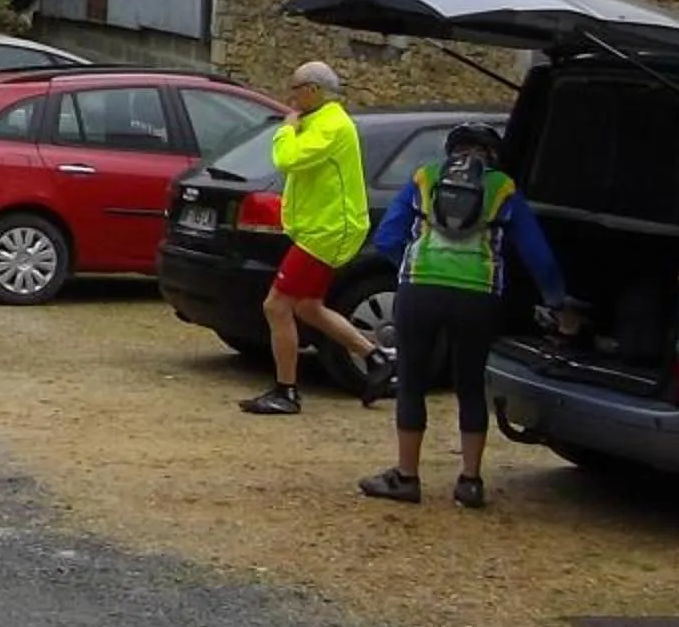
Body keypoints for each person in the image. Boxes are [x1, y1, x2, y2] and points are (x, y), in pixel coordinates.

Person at [356, 120, 572, 508]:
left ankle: (406, 478)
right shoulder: (503, 188)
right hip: (478, 296)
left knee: (412, 382)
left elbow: (387, 237)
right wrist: (556, 301)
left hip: (420, 290)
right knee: (470, 386)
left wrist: (411, 269)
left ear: (452, 151)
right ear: (491, 155)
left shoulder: (424, 178)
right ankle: (470, 482)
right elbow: (538, 255)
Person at [242, 58, 378, 415]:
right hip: (319, 228)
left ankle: (286, 391)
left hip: (329, 230)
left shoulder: (331, 125)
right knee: (307, 306)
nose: (291, 98)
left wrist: (286, 128)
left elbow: (288, 159)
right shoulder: (318, 120)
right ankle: (376, 358)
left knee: (276, 305)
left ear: (314, 90)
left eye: (296, 90)